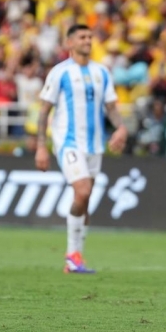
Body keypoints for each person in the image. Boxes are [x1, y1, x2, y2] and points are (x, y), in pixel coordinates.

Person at [35, 24, 127, 274]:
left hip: (94, 144)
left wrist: (120, 128)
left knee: (84, 202)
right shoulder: (59, 72)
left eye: (90, 36)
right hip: (68, 141)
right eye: (82, 37)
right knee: (83, 191)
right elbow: (44, 111)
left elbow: (111, 107)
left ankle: (75, 259)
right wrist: (41, 147)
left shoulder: (102, 72)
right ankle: (72, 255)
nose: (87, 40)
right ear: (69, 43)